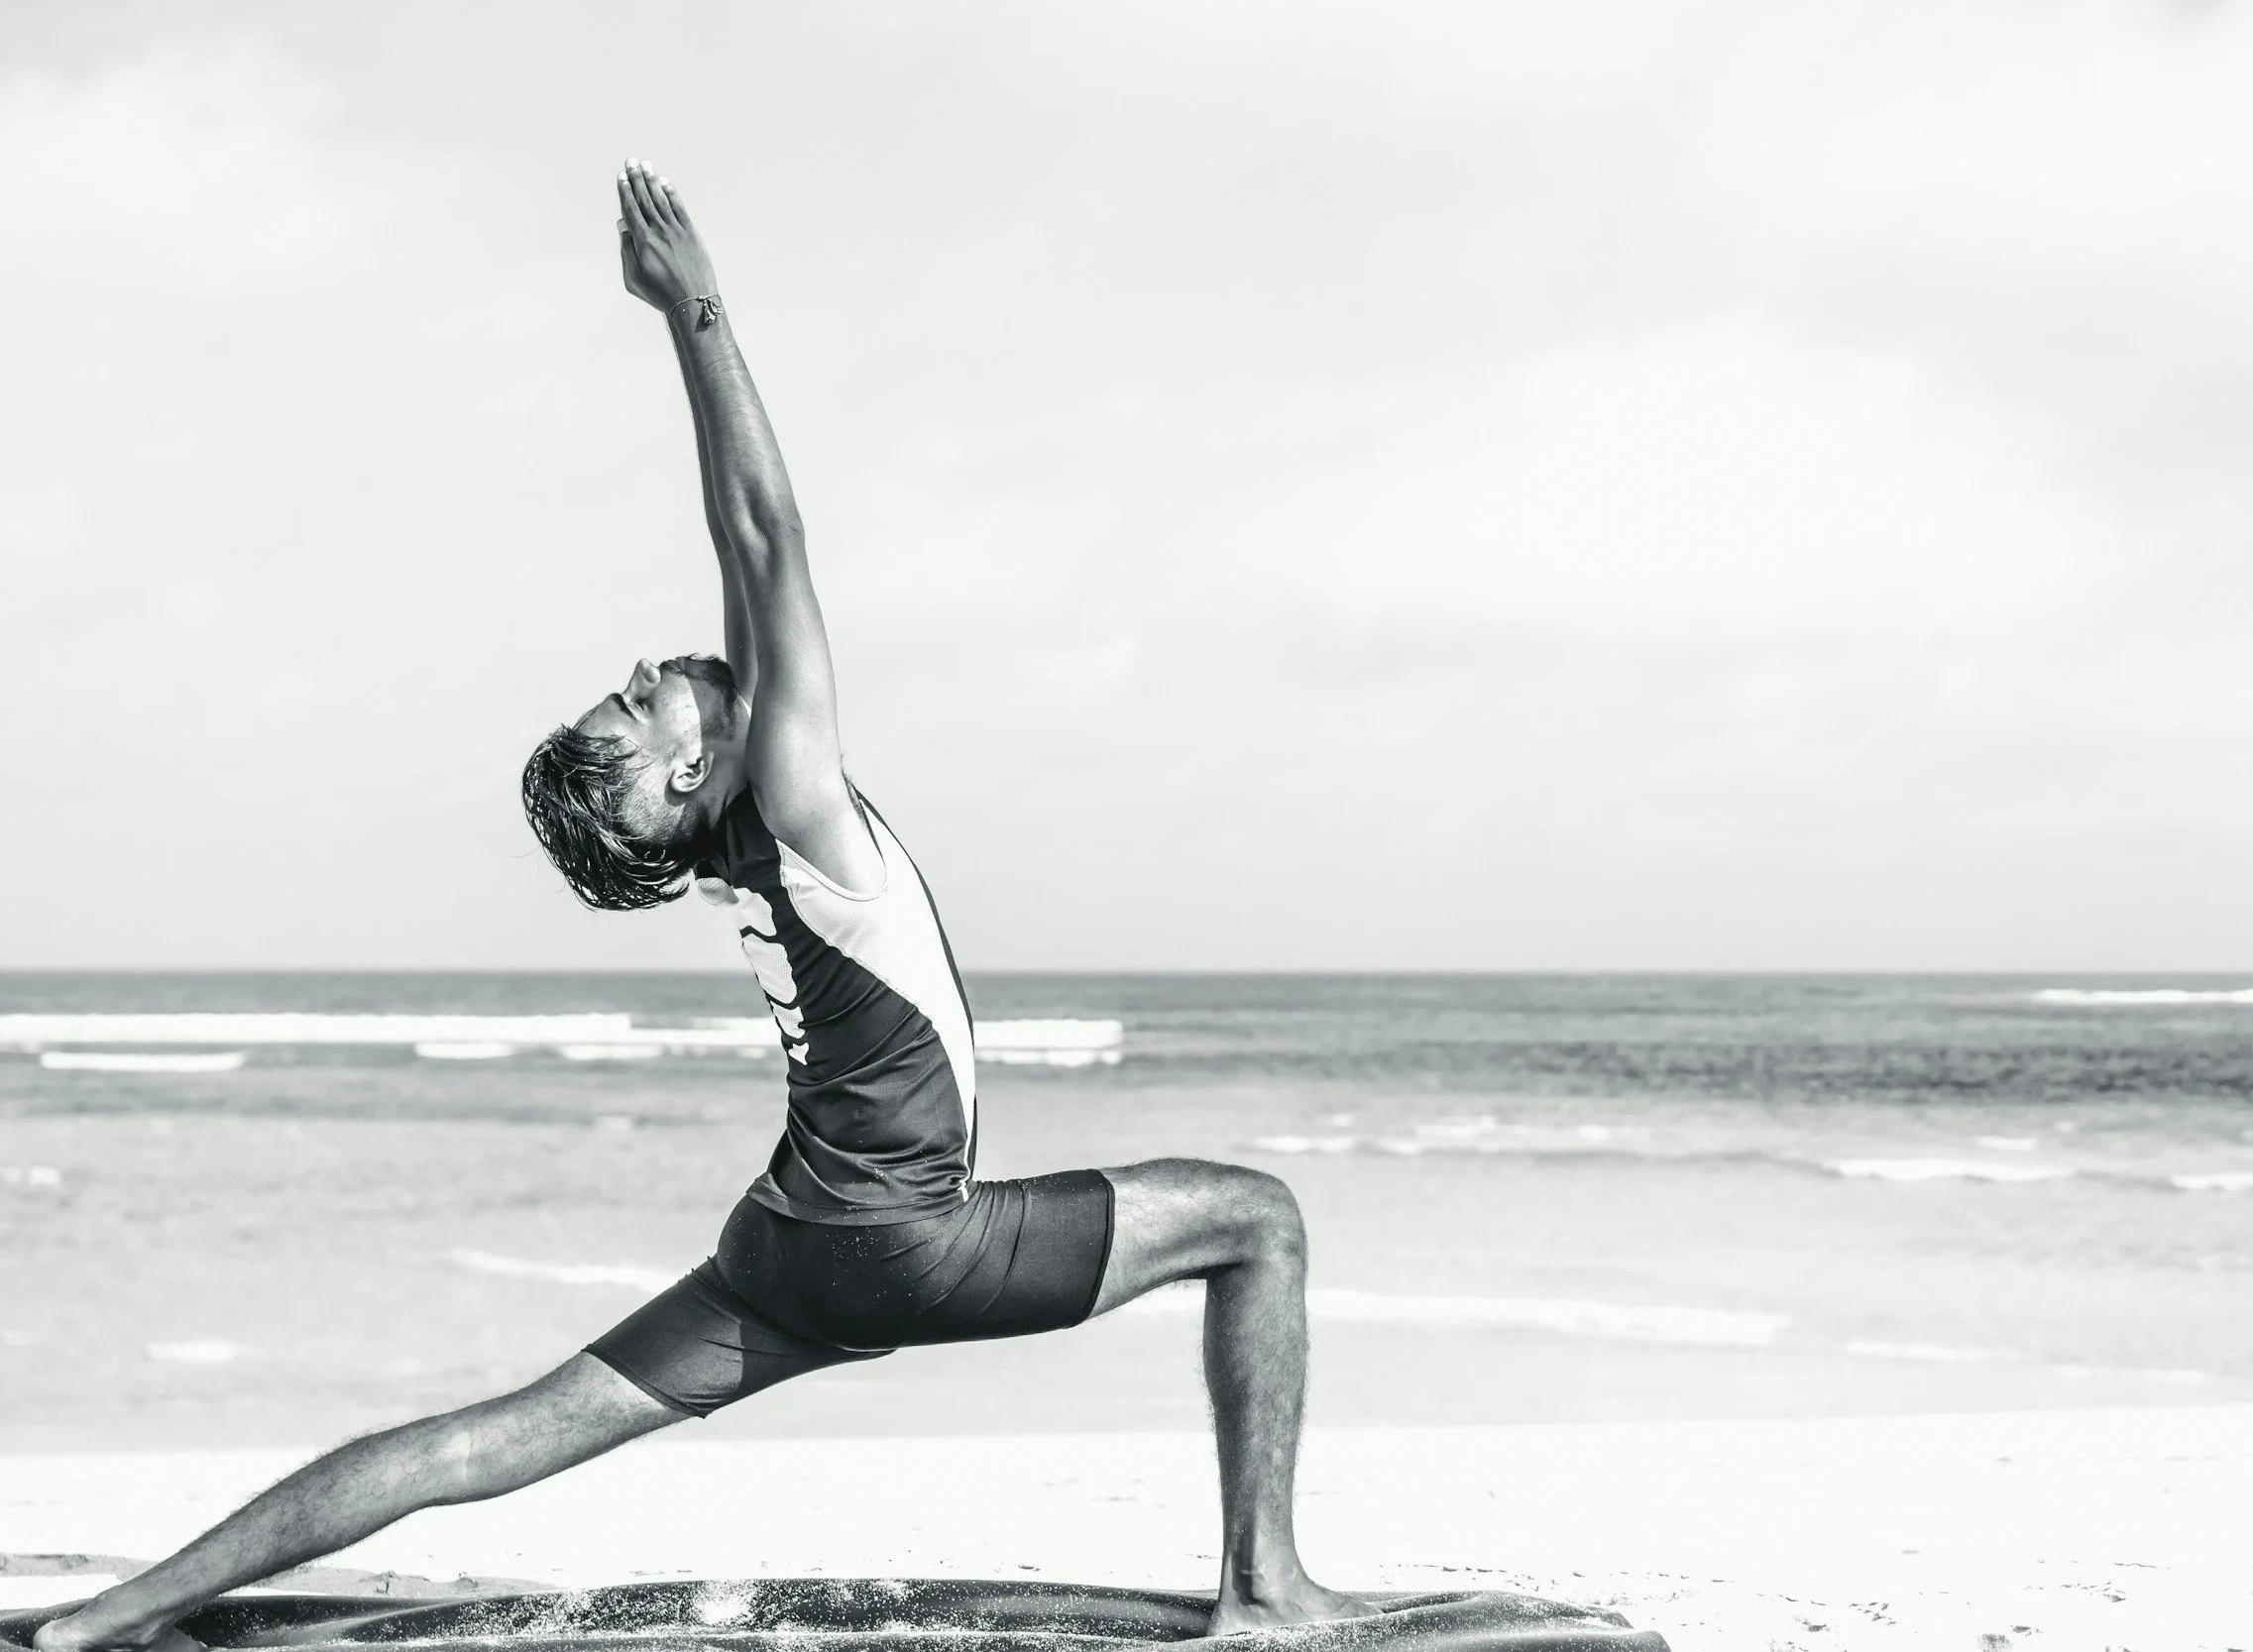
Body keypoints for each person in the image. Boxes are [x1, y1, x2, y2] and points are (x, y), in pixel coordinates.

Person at [35, 161, 1368, 1652]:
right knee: (1259, 1221)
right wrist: (696, 310)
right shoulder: (789, 800)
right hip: (899, 1241)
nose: (649, 666)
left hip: (783, 1246)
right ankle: (1267, 1592)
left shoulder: (743, 835)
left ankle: (112, 1612)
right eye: (634, 699)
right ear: (681, 776)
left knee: (482, 1441)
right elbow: (770, 537)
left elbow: (746, 561)